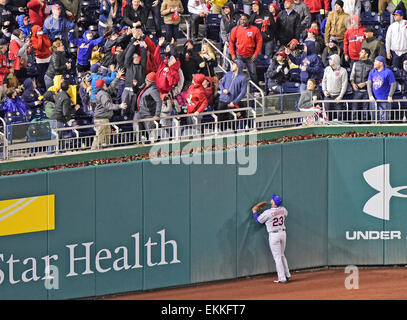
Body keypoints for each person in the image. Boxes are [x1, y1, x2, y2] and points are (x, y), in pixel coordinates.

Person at [251, 194, 291, 284]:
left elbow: (258, 221)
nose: (271, 200)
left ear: (273, 203)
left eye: (272, 199)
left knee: (277, 257)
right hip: (283, 233)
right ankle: (287, 274)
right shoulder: (283, 209)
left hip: (274, 235)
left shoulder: (267, 213)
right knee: (281, 255)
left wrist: (254, 211)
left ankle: (282, 278)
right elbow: (285, 214)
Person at [92, 68, 127, 150]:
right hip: (101, 119)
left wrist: (117, 77)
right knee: (99, 140)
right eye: (105, 84)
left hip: (104, 119)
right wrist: (119, 106)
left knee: (106, 139)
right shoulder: (103, 94)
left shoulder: (103, 92)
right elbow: (107, 105)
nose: (106, 85)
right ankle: (93, 154)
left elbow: (111, 87)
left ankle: (104, 154)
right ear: (103, 85)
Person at [229, 13, 263, 84]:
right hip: (239, 55)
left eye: (244, 19)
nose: (242, 21)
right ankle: (238, 89)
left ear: (248, 20)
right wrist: (232, 54)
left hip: (251, 56)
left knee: (253, 73)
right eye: (241, 19)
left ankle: (255, 90)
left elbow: (259, 42)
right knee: (237, 73)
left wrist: (256, 54)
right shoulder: (235, 29)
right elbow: (231, 42)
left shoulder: (255, 29)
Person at [132, 72, 162, 142]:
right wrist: (135, 86)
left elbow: (159, 101)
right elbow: (136, 91)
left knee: (151, 131)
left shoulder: (153, 90)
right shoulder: (144, 85)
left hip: (147, 113)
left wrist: (157, 114)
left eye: (147, 80)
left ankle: (154, 148)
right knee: (136, 129)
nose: (145, 80)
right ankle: (137, 145)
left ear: (151, 82)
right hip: (138, 111)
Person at [367, 55, 397, 122]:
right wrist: (370, 95)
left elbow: (393, 84)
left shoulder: (388, 72)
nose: (374, 63)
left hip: (385, 100)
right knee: (374, 118)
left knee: (385, 119)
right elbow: (369, 84)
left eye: (376, 61)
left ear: (381, 63)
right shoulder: (372, 71)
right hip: (374, 99)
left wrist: (390, 95)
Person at [321, 54, 348, 120]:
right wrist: (324, 90)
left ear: (335, 60)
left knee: (340, 116)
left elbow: (344, 84)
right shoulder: (327, 69)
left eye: (331, 60)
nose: (329, 61)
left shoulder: (343, 71)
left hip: (338, 97)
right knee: (328, 116)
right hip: (328, 96)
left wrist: (340, 96)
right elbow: (324, 81)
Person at [350, 47, 373, 122]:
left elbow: (373, 78)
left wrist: (365, 83)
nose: (360, 53)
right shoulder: (355, 63)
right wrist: (353, 84)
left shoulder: (371, 64)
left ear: (366, 54)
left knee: (365, 110)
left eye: (362, 52)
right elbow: (352, 76)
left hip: (367, 91)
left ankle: (365, 125)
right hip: (356, 90)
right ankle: (354, 124)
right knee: (354, 108)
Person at [30, 24, 51, 92]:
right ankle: (43, 90)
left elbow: (49, 44)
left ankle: (50, 88)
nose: (40, 31)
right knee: (42, 76)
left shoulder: (43, 36)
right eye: (38, 30)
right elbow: (39, 47)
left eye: (41, 30)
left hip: (48, 57)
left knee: (49, 74)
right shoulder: (32, 39)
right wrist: (40, 37)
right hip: (40, 60)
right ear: (35, 31)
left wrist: (42, 37)